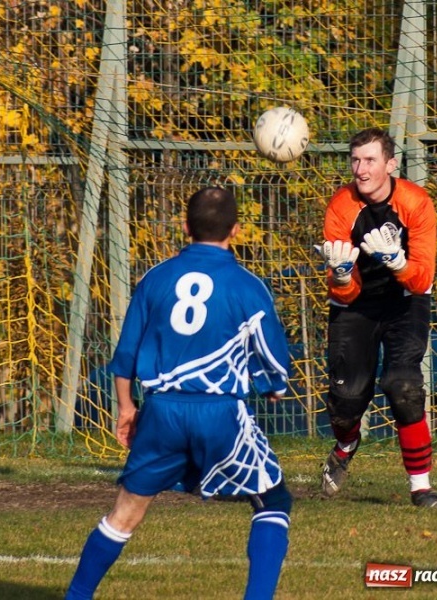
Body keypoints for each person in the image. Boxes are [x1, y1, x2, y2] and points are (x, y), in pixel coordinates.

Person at [65, 186, 293, 600]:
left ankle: (77, 596)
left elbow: (126, 356)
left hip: (162, 412)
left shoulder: (156, 278)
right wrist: (272, 388)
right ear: (236, 230)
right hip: (220, 413)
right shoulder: (248, 286)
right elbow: (274, 363)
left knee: (125, 512)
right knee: (273, 501)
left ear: (185, 227)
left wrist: (126, 408)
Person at [318, 127, 437, 508]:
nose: (361, 169)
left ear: (391, 164)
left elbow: (423, 277)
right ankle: (346, 444)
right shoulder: (341, 205)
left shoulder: (417, 202)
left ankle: (421, 487)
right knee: (346, 399)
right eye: (355, 160)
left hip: (405, 300)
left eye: (370, 160)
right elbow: (341, 291)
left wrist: (399, 262)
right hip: (356, 306)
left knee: (403, 385)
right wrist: (341, 274)